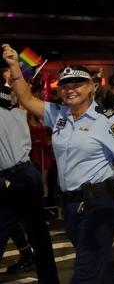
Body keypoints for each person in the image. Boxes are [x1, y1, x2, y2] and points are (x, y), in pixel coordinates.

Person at [2, 43, 114, 283]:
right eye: (65, 85)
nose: (70, 90)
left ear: (92, 88)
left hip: (98, 205)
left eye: (77, 84)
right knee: (99, 268)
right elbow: (24, 97)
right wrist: (14, 65)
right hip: (70, 205)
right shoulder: (58, 114)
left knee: (85, 271)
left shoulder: (105, 121)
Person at [0, 84, 59, 283]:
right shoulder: (18, 113)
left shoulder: (11, 113)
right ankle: (49, 280)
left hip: (11, 178)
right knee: (38, 234)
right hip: (27, 173)